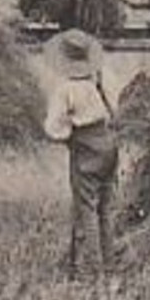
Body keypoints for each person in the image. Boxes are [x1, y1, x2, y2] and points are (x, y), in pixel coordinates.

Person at [43, 29, 119, 278]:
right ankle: (108, 264)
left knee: (86, 208)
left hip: (85, 148)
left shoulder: (65, 89)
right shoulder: (102, 78)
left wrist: (67, 136)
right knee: (105, 209)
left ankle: (92, 270)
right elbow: (116, 110)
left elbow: (54, 128)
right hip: (109, 144)